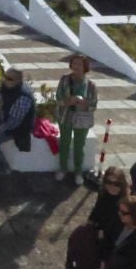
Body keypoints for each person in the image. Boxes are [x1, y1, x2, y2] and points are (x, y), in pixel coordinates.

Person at [42, 167, 131, 269]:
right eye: (109, 182)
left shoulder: (124, 204)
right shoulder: (103, 195)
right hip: (94, 239)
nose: (112, 186)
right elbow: (94, 215)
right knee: (76, 265)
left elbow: (119, 228)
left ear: (122, 185)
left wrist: (102, 233)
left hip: (108, 247)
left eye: (117, 184)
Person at [0, 68, 36, 175]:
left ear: (18, 81)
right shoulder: (8, 85)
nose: (5, 80)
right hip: (4, 117)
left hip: (18, 128)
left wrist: (0, 129)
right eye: (5, 76)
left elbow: (14, 122)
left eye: (9, 78)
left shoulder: (23, 96)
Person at [56, 54, 101, 184]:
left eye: (79, 64)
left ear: (85, 67)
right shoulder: (64, 80)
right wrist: (68, 101)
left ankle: (78, 171)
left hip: (82, 120)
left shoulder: (91, 86)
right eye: (74, 63)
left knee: (79, 146)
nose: (76, 67)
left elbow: (94, 105)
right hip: (65, 117)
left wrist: (85, 104)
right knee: (64, 143)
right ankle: (62, 168)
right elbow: (58, 98)